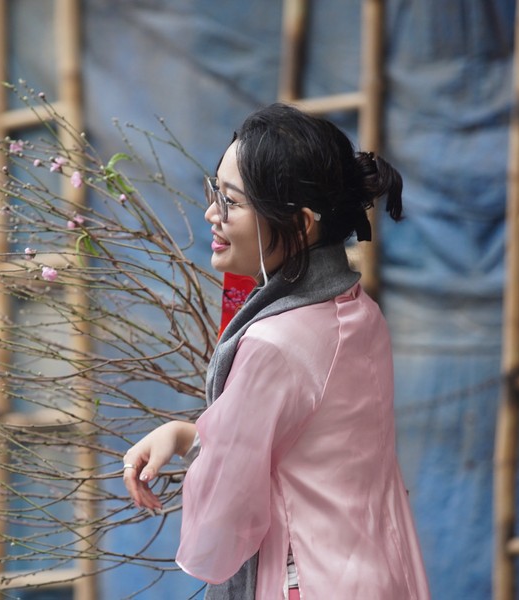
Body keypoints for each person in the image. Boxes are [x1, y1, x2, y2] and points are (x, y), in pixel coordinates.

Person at [122, 103, 430, 600]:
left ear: (302, 224)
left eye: (231, 202)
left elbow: (226, 513)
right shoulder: (358, 311)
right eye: (214, 193)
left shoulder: (273, 343)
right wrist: (188, 433)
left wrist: (199, 448)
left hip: (307, 579)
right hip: (378, 569)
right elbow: (305, 447)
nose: (211, 214)